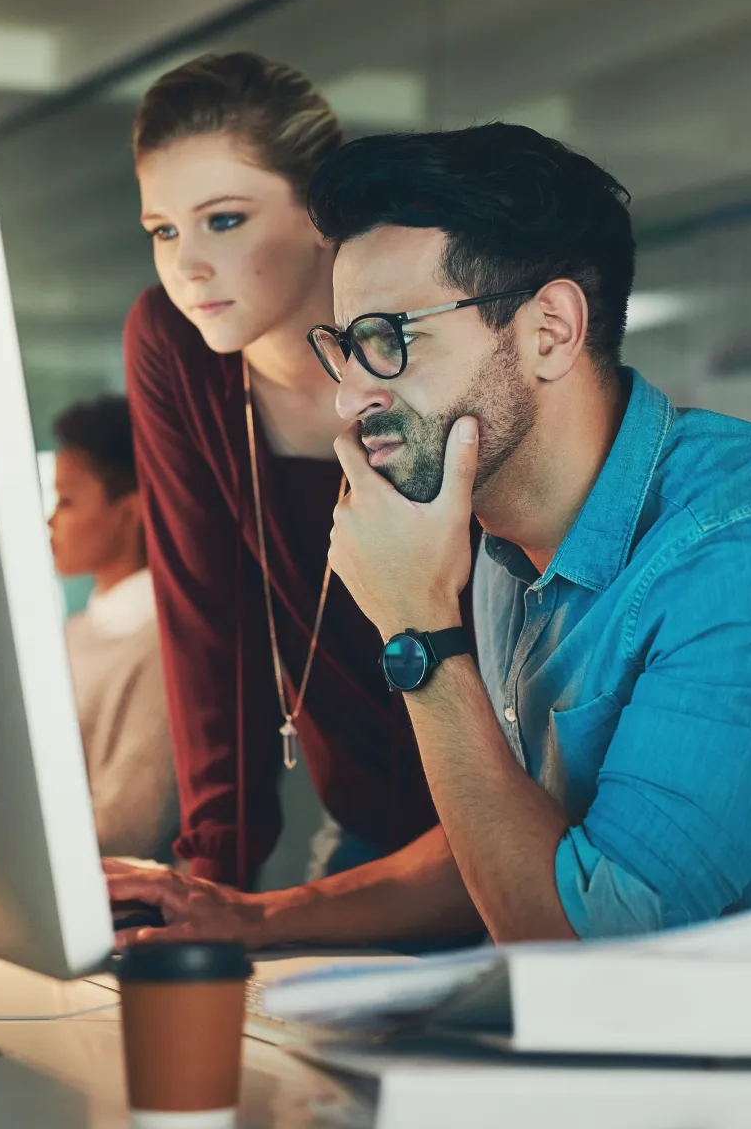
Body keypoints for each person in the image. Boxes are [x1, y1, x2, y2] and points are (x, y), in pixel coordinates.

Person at [106, 123, 751, 1109]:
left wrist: (420, 641)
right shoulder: (492, 535)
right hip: (684, 1079)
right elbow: (528, 827)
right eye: (343, 346)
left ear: (550, 331)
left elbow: (592, 951)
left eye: (389, 342)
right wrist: (257, 918)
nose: (352, 396)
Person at [124, 52, 469, 887]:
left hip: (519, 825)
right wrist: (208, 879)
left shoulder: (432, 342)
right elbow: (205, 619)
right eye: (164, 230)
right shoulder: (173, 348)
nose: (187, 266)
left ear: (321, 214)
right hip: (365, 835)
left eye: (225, 220)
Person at [49, 395, 177, 862]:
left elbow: (125, 833)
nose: (50, 521)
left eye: (65, 501)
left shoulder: (165, 650)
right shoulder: (76, 632)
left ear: (130, 510)